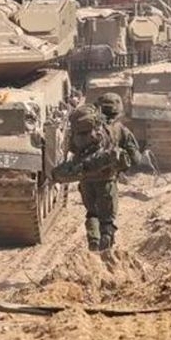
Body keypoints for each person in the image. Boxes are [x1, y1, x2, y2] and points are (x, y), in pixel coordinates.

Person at [55, 103, 139, 252]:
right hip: (106, 181)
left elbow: (72, 150)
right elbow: (133, 157)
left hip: (86, 181)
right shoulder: (112, 129)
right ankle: (105, 250)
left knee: (92, 213)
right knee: (107, 219)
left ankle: (93, 242)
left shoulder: (80, 133)